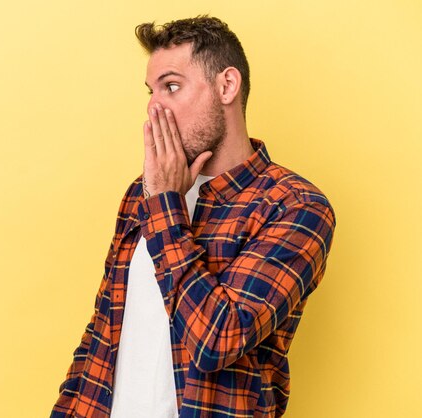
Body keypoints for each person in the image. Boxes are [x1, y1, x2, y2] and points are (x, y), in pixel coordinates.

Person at [50, 15, 336, 418]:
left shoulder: (294, 206)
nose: (154, 107)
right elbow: (103, 331)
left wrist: (165, 202)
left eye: (171, 86)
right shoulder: (140, 192)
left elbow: (217, 339)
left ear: (226, 86)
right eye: (150, 92)